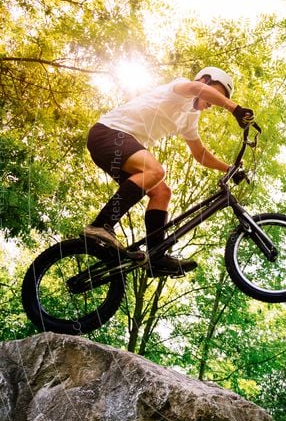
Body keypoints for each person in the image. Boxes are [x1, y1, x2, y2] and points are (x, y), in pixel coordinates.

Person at [83, 66, 255, 276]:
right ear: (205, 79)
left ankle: (156, 257)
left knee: (162, 192)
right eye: (217, 94)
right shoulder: (180, 88)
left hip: (117, 147)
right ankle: (101, 225)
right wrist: (234, 108)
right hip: (109, 134)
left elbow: (199, 153)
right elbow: (196, 88)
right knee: (156, 171)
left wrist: (228, 168)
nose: (213, 103)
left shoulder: (190, 118)